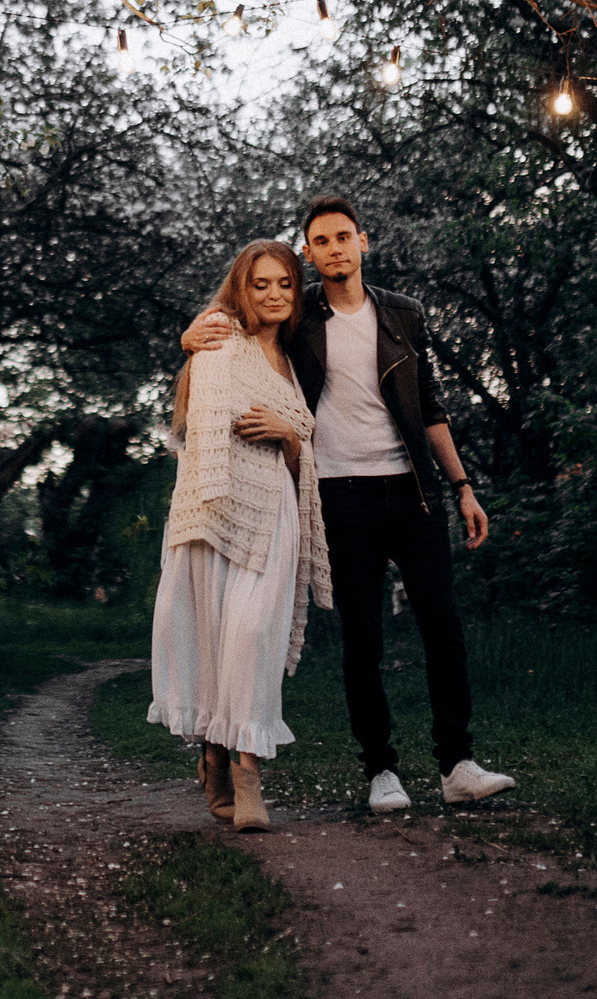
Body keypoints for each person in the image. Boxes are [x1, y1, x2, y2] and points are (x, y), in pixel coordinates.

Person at [182, 195, 516, 814]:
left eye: (343, 238)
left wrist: (464, 486)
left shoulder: (404, 315)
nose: (334, 249)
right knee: (363, 638)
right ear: (309, 254)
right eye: (321, 242)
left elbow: (431, 406)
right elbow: (241, 308)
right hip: (339, 494)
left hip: (411, 490)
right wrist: (190, 332)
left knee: (442, 624)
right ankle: (381, 772)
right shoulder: (300, 313)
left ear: (363, 242)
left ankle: (457, 764)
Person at [149, 239, 332, 832]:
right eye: (262, 284)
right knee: (210, 638)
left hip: (275, 510)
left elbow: (304, 444)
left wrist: (289, 433)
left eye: (285, 284)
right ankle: (214, 753)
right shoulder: (220, 336)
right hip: (214, 507)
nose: (275, 294)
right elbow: (204, 419)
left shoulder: (296, 359)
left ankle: (246, 767)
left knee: (253, 637)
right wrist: (210, 506)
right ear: (241, 289)